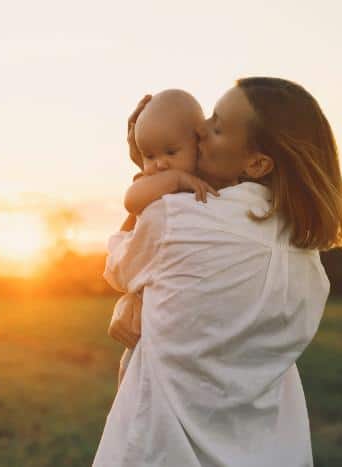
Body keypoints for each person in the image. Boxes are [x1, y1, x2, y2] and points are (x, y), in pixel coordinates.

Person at [93, 77, 342, 467]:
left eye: (215, 126)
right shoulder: (310, 268)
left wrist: (150, 179)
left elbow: (119, 265)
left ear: (257, 163)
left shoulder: (176, 219)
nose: (198, 128)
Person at [107, 89, 217, 389]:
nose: (159, 165)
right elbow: (133, 199)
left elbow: (119, 265)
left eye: (170, 152)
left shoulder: (187, 201)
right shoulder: (170, 185)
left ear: (200, 145)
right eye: (150, 156)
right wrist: (173, 178)